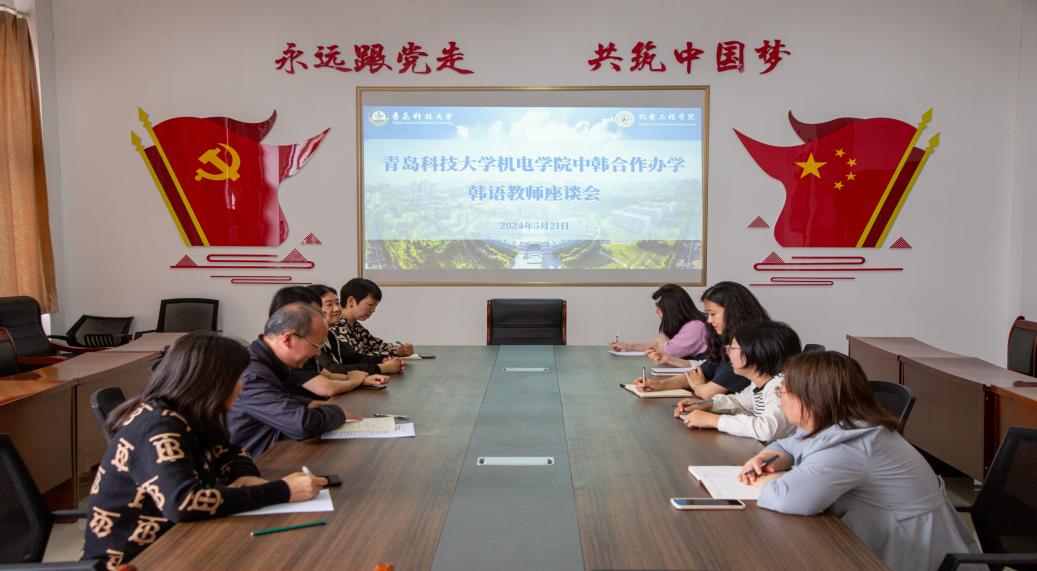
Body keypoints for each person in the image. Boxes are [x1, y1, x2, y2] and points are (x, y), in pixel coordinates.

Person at [82, 332, 326, 569]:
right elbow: (185, 502)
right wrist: (282, 491)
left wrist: (243, 476)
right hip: (136, 558)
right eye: (236, 379)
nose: (241, 387)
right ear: (212, 383)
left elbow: (231, 452)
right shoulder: (158, 426)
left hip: (179, 539)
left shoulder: (190, 414)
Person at [739, 351, 982, 571]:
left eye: (782, 392)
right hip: (884, 540)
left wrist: (764, 479)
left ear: (810, 399)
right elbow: (789, 444)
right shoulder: (846, 423)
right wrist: (764, 457)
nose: (780, 399)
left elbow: (789, 497)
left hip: (907, 555)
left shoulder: (850, 445)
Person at [227, 304, 359, 458]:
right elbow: (301, 425)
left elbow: (275, 399)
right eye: (316, 345)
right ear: (288, 339)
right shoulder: (251, 375)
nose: (318, 353)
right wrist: (338, 413)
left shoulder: (266, 363)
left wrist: (309, 403)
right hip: (257, 463)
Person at [635, 281, 770, 399]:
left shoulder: (746, 348)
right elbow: (700, 372)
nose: (709, 320)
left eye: (713, 314)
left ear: (733, 312)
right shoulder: (728, 341)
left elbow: (707, 393)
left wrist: (698, 385)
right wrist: (659, 385)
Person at [676, 320, 800, 442]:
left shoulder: (782, 388)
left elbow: (767, 429)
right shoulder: (760, 382)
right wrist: (709, 404)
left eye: (733, 347)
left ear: (757, 354)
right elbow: (741, 403)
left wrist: (713, 420)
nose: (727, 352)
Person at [267, 286, 391, 399]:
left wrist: (363, 379)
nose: (336, 309)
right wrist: (356, 380)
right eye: (316, 312)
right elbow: (327, 388)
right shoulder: (291, 351)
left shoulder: (307, 345)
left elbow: (329, 375)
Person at [308, 284, 404, 376]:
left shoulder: (330, 335)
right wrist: (382, 367)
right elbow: (332, 369)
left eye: (337, 303)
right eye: (329, 304)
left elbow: (353, 357)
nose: (337, 308)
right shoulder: (310, 338)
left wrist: (383, 360)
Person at [608, 284, 708, 360]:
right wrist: (629, 347)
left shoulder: (696, 327)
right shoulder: (688, 324)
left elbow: (667, 352)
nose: (656, 312)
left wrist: (665, 321)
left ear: (670, 309)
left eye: (659, 308)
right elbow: (659, 344)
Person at [332, 277, 414, 359]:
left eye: (375, 306)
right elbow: (356, 358)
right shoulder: (336, 327)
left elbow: (376, 345)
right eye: (370, 304)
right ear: (351, 301)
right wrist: (395, 352)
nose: (373, 310)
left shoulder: (356, 326)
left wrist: (399, 349)